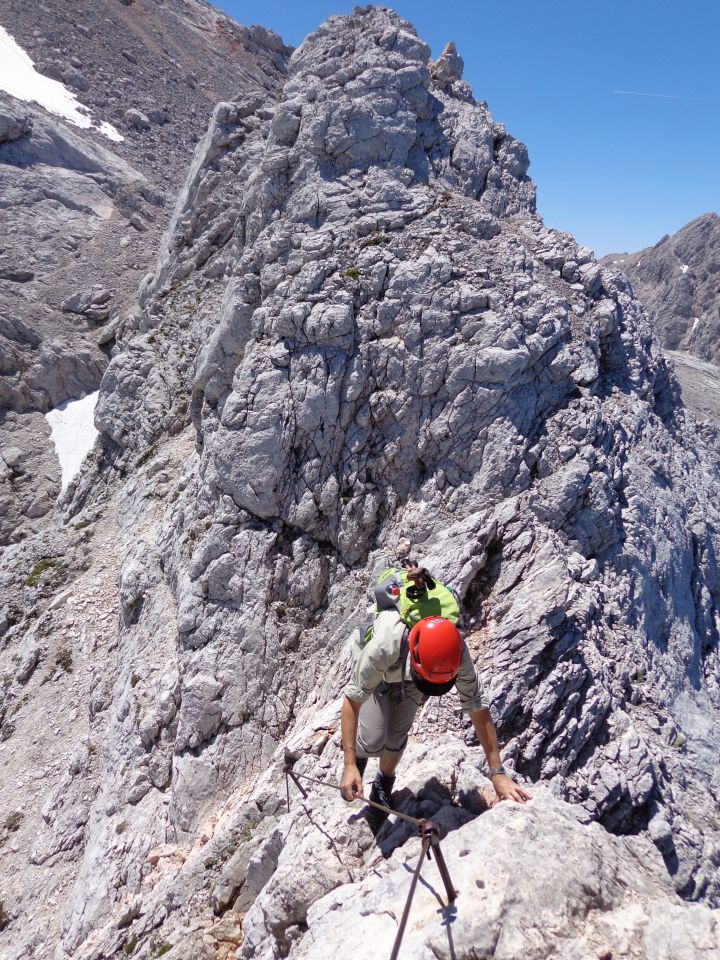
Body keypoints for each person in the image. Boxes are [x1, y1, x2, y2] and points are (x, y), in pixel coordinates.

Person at [340, 564, 530, 814]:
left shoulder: (455, 650)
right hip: (381, 673)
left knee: (396, 737)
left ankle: (384, 783)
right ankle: (363, 756)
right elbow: (352, 700)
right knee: (374, 740)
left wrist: (498, 773)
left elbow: (477, 706)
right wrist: (350, 763)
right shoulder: (386, 644)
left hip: (415, 673)